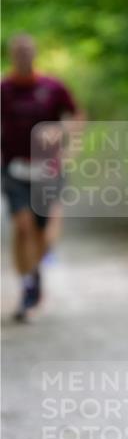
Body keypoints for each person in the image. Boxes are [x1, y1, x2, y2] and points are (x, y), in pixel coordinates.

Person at [1, 33, 83, 322]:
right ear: (12, 55)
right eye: (19, 51)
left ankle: (35, 273)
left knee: (42, 234)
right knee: (22, 226)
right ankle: (28, 286)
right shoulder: (4, 89)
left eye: (28, 51)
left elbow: (77, 116)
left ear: (34, 54)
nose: (24, 56)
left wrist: (60, 133)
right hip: (14, 168)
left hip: (48, 170)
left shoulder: (52, 87)